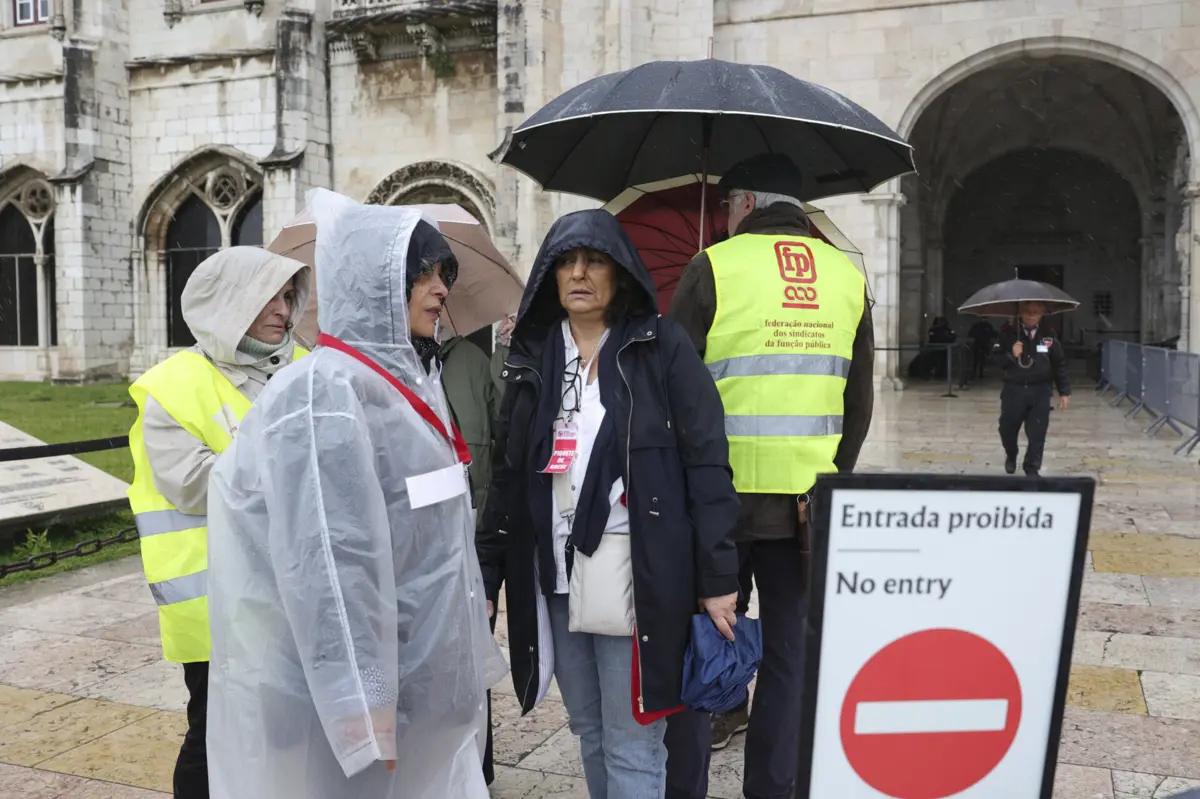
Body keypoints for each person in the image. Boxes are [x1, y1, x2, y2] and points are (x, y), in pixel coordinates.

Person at [204, 191, 506, 799]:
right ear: (376, 282)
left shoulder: (398, 385)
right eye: (421, 273)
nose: (441, 289)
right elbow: (329, 564)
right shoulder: (324, 394)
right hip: (360, 698)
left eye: (444, 274)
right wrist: (360, 701)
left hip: (414, 673)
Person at [478, 208, 740, 798]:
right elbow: (509, 472)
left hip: (636, 574)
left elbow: (707, 463)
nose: (579, 273)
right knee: (590, 729)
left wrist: (719, 574)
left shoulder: (660, 347)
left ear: (619, 272)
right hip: (556, 574)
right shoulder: (532, 357)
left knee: (633, 740)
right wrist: (487, 572)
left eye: (594, 260)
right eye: (567, 261)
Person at [665, 153, 874, 799]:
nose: (724, 219)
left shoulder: (713, 267)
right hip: (806, 509)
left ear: (745, 204)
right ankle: (773, 789)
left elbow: (672, 389)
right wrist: (828, 476)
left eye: (728, 208)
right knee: (788, 659)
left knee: (701, 647)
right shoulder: (846, 276)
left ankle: (685, 787)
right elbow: (858, 401)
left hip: (717, 507)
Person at [126, 247, 310, 799]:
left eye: (287, 296)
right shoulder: (170, 386)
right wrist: (284, 452)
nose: (284, 309)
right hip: (213, 603)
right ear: (231, 304)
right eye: (269, 297)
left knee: (288, 730)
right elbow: (194, 485)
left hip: (293, 592)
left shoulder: (304, 367)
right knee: (213, 732)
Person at [997, 301, 1070, 477]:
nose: (1031, 315)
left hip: (1040, 390)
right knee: (1007, 428)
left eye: (1036, 312)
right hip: (1014, 390)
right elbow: (996, 360)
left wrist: (1064, 391)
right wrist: (1010, 354)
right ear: (1020, 313)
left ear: (1042, 313)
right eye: (1027, 311)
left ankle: (1032, 467)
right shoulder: (1008, 333)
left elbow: (1058, 363)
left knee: (1037, 432)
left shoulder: (1049, 335)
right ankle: (1011, 454)